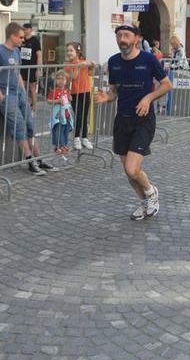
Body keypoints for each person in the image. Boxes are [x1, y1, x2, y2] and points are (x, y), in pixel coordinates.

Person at [94, 24, 172, 220]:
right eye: (119, 35)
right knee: (128, 172)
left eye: (127, 35)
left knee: (132, 168)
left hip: (143, 120)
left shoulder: (148, 59)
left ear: (137, 38)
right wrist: (107, 97)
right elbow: (114, 91)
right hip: (122, 120)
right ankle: (144, 202)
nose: (122, 39)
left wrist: (148, 98)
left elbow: (166, 85)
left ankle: (151, 192)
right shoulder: (113, 62)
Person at [0, 22, 55, 174]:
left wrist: (24, 92)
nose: (23, 40)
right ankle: (30, 161)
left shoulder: (17, 52)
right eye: (20, 37)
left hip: (19, 93)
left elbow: (18, 73)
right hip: (7, 95)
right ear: (12, 36)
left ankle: (39, 160)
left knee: (30, 126)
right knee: (19, 127)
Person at [65, 42, 95, 150]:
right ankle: (76, 138)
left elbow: (91, 73)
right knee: (78, 115)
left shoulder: (83, 62)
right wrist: (78, 66)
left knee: (84, 116)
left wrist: (92, 65)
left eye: (71, 50)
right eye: (68, 51)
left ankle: (85, 138)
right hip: (75, 93)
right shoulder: (68, 65)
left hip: (86, 91)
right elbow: (73, 77)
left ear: (77, 52)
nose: (69, 52)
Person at [47, 70, 74, 155]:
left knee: (65, 131)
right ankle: (58, 146)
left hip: (66, 115)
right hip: (58, 115)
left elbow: (68, 99)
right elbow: (49, 101)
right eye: (58, 79)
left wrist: (70, 97)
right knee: (58, 131)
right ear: (55, 80)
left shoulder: (66, 90)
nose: (61, 81)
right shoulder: (54, 91)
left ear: (66, 81)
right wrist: (57, 101)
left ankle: (64, 145)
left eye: (63, 79)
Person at [19, 23, 42, 108]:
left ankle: (34, 107)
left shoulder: (35, 40)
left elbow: (39, 55)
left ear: (30, 30)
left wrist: (38, 69)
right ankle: (26, 104)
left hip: (32, 68)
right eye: (23, 29)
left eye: (25, 29)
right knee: (22, 86)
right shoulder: (21, 40)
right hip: (22, 67)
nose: (24, 31)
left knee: (32, 87)